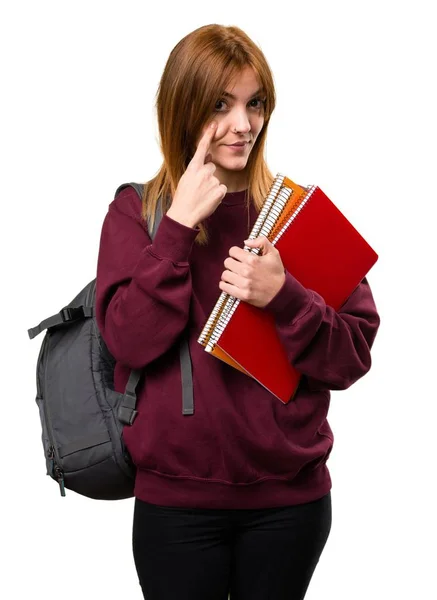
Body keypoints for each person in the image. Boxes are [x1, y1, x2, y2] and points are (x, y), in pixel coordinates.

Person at [95, 23, 380, 600]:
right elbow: (127, 342)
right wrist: (176, 230)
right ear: (184, 107)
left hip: (289, 503)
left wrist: (284, 295)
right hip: (175, 504)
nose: (243, 124)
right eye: (221, 105)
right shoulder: (138, 212)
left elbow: (352, 358)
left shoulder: (295, 214)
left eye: (255, 104)